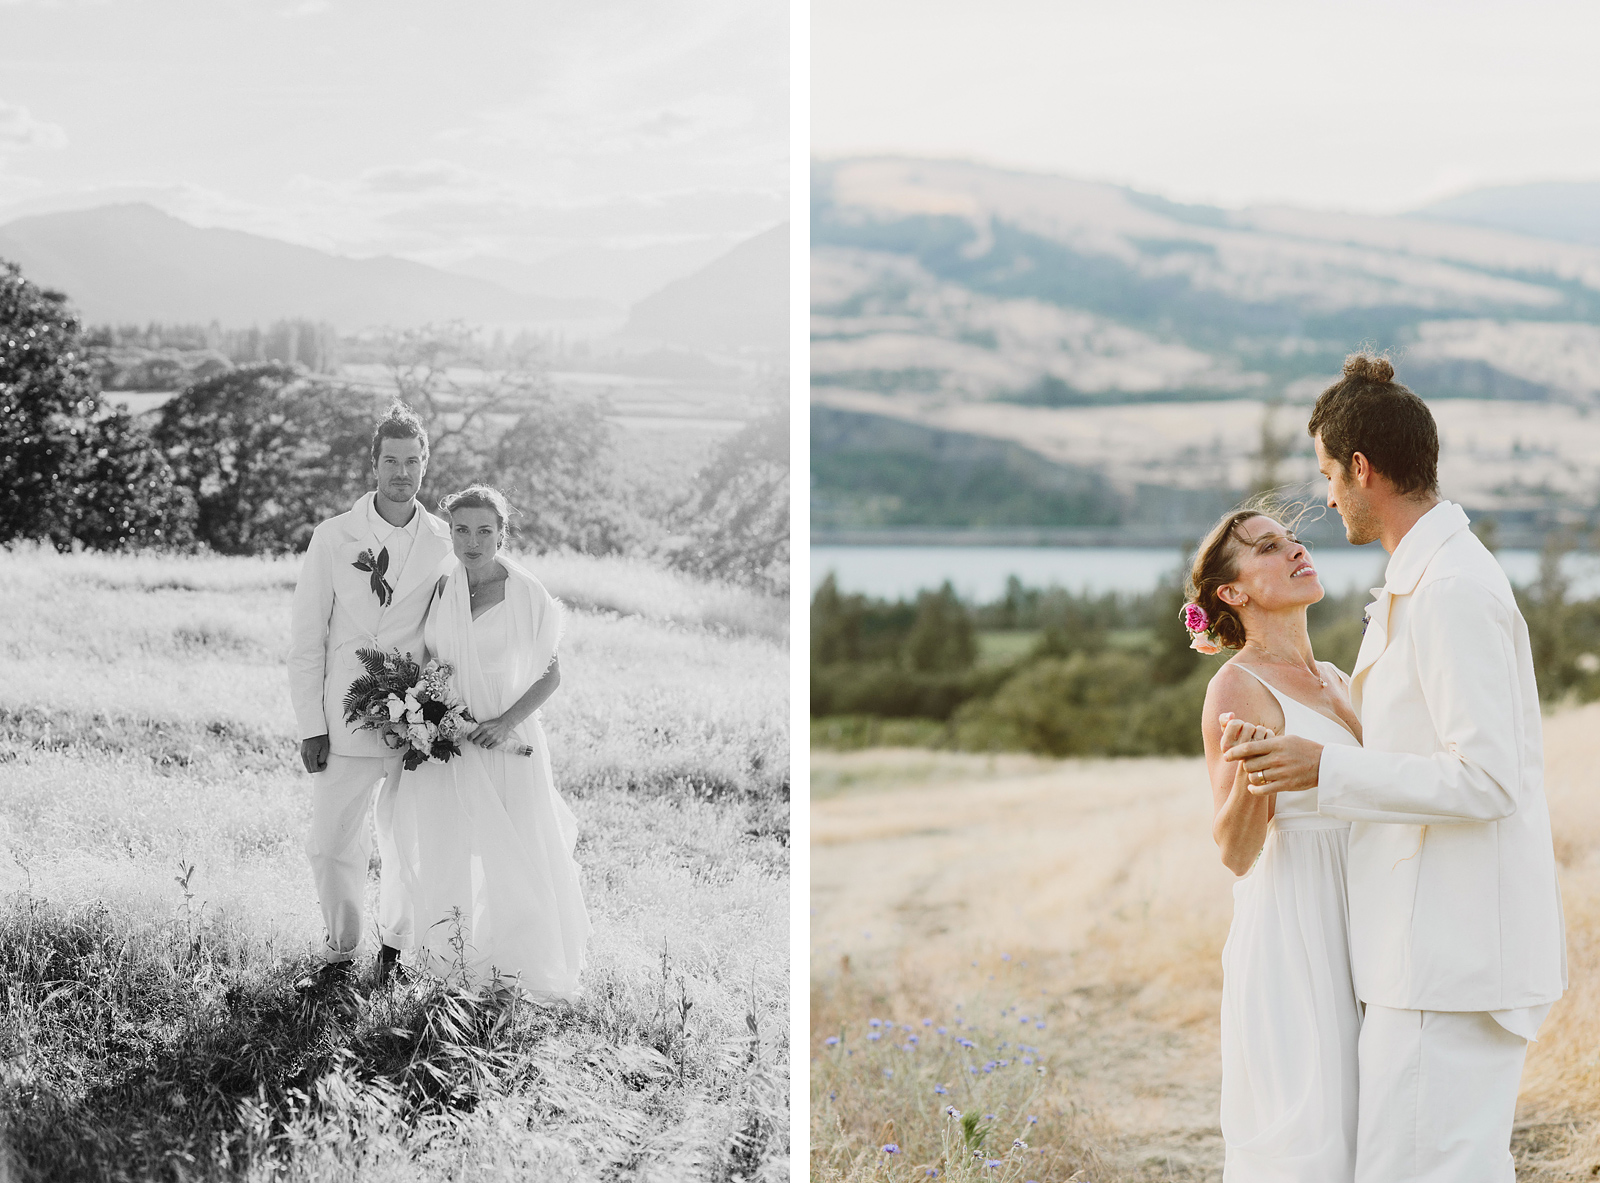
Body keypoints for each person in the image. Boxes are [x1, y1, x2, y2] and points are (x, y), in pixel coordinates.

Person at [1226, 354, 1567, 1182]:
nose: (1328, 498)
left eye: (1327, 477)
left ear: (1362, 468)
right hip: (1421, 960)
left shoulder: (1450, 588)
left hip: (1448, 965)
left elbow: (1488, 780)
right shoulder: (1427, 576)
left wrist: (1325, 770)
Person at [1188, 501, 1362, 1180]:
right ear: (1232, 593)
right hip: (1297, 923)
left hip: (1364, 907)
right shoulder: (1237, 685)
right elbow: (1234, 852)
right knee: (1314, 1121)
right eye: (1267, 547)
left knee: (1370, 1118)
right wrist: (1260, 778)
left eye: (1292, 539)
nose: (1295, 550)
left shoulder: (1342, 678)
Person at [380, 485, 590, 997]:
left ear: (501, 534)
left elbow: (551, 674)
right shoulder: (442, 587)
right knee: (444, 844)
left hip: (503, 737)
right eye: (461, 530)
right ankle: (446, 964)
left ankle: (514, 970)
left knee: (513, 849)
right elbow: (430, 658)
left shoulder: (526, 592)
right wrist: (420, 713)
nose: (472, 541)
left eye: (484, 531)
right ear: (449, 532)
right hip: (447, 735)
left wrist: (504, 721)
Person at [287, 403, 454, 987]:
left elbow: (447, 632)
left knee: (407, 840)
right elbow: (306, 640)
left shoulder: (443, 542)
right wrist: (312, 722)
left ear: (425, 464)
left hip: (414, 721)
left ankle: (397, 949)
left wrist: (438, 709)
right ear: (375, 463)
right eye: (391, 461)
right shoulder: (333, 538)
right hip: (343, 718)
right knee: (331, 843)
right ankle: (340, 950)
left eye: (412, 461)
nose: (401, 472)